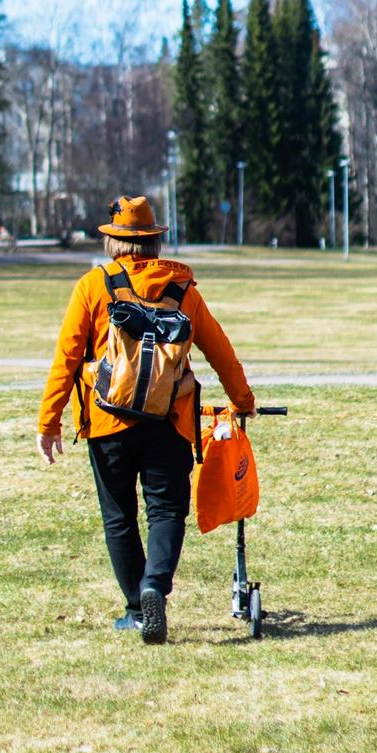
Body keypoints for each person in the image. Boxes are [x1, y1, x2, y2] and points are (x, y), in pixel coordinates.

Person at [37, 192, 255, 643]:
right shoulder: (183, 291)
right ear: (154, 241)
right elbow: (220, 350)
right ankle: (155, 583)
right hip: (169, 421)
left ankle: (137, 609)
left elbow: (67, 357)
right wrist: (243, 400)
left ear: (113, 242)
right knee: (166, 510)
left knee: (119, 516)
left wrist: (49, 422)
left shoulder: (93, 286)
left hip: (106, 421)